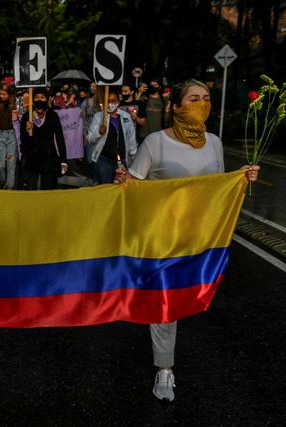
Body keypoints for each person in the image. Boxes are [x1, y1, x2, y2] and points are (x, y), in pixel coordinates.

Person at [114, 79, 260, 402]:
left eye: (206, 98)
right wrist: (123, 181)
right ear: (176, 107)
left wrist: (242, 178)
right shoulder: (155, 143)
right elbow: (133, 188)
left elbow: (217, 186)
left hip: (200, 239)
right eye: (193, 98)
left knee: (191, 296)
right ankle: (165, 369)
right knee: (165, 303)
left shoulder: (215, 143)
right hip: (163, 239)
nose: (202, 103)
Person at [20, 87, 68, 190]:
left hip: (49, 159)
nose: (39, 100)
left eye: (42, 97)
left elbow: (60, 138)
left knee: (48, 192)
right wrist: (27, 131)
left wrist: (63, 160)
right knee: (31, 192)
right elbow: (23, 142)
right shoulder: (26, 117)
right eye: (36, 97)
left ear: (47, 99)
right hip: (32, 160)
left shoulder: (53, 116)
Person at [86, 89, 137, 184]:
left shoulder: (126, 116)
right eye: (108, 101)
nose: (110, 104)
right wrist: (99, 133)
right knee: (106, 189)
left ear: (118, 101)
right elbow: (89, 139)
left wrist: (134, 156)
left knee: (121, 188)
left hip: (121, 161)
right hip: (103, 160)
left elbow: (131, 137)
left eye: (113, 101)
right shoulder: (99, 117)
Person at [0, 83, 18, 189]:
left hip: (11, 136)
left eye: (4, 94)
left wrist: (18, 114)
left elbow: (20, 119)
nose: (2, 96)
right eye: (0, 94)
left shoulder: (15, 104)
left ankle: (9, 187)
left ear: (9, 94)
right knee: (0, 165)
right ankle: (2, 181)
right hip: (0, 135)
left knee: (10, 163)